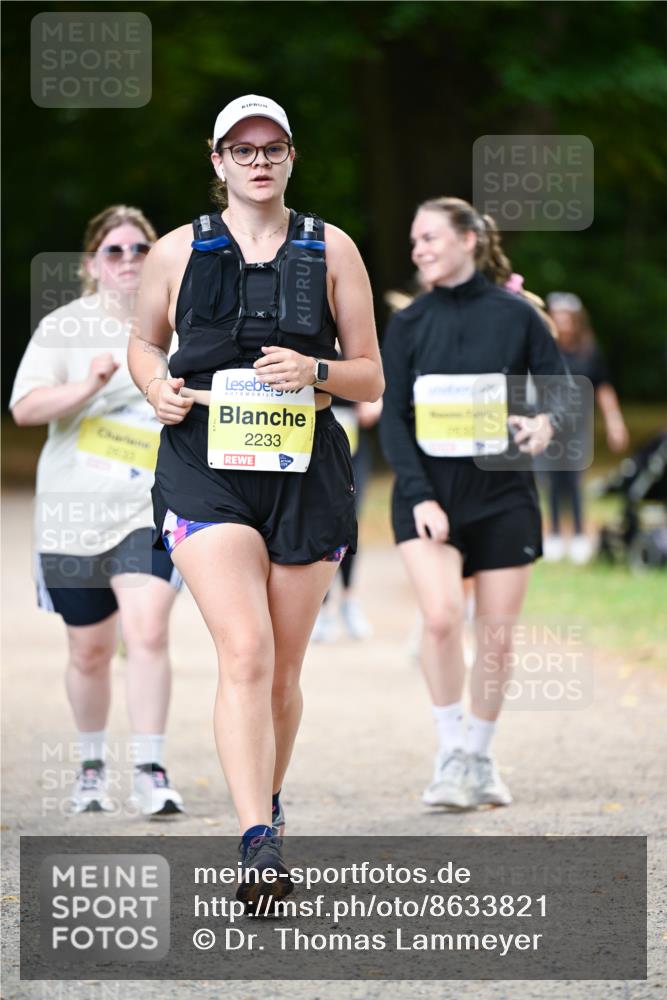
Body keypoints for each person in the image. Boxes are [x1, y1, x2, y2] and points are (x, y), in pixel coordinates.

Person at [128, 95, 383, 908]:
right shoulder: (175, 252)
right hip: (206, 467)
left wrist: (314, 372)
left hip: (305, 472)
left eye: (272, 148)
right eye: (242, 150)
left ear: (291, 157)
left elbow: (371, 375)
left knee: (280, 669)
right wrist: (155, 390)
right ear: (217, 161)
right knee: (244, 650)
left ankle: (265, 802)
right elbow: (143, 345)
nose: (258, 161)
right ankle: (255, 843)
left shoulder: (331, 247)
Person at [379, 197, 569, 810]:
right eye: (414, 241)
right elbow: (393, 425)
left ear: (468, 239)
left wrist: (545, 423)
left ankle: (480, 757)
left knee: (496, 638)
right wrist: (421, 496)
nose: (419, 249)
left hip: (504, 497)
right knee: (439, 619)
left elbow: (563, 394)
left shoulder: (518, 316)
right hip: (426, 500)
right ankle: (449, 753)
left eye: (430, 236)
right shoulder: (408, 324)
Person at [10, 205, 184, 818]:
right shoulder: (63, 327)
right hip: (73, 515)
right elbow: (25, 409)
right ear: (92, 264)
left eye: (141, 249)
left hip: (150, 510)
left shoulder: (179, 327)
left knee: (148, 632)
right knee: (88, 650)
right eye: (116, 251)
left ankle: (150, 769)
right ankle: (90, 768)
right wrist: (86, 385)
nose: (130, 260)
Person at [542, 292, 629, 564]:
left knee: (573, 479)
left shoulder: (589, 352)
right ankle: (554, 533)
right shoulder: (544, 349)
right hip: (548, 426)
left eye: (568, 317)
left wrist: (615, 421)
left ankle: (579, 533)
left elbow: (603, 387)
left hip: (578, 427)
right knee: (552, 480)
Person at [311, 393, 383, 642]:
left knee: (349, 520)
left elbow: (376, 382)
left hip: (352, 444)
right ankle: (321, 608)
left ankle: (349, 601)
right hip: (312, 438)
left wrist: (374, 401)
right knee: (318, 522)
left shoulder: (357, 353)